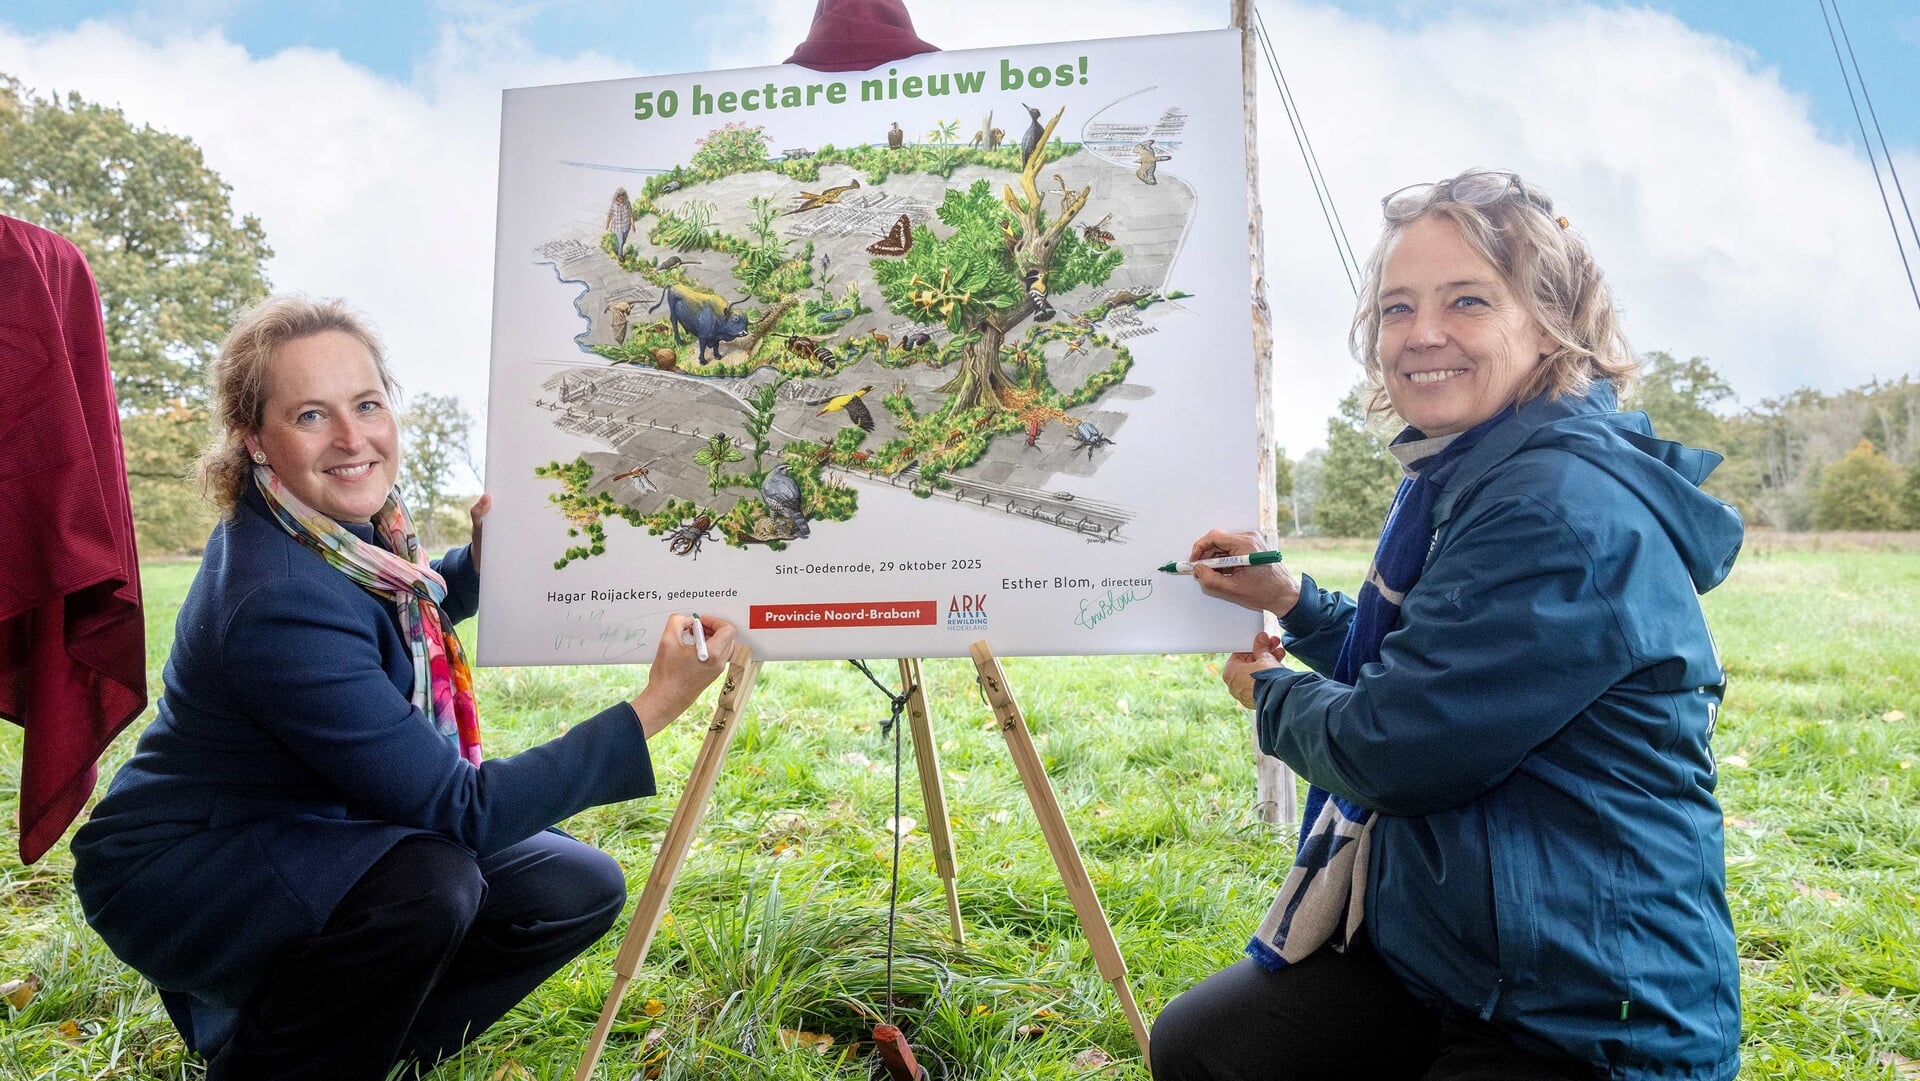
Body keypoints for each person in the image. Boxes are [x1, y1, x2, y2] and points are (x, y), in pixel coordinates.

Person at [1152, 170, 1743, 1081]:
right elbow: (1436, 657)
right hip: (1455, 953)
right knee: (1207, 1048)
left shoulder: (1553, 507)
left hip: (1586, 1005)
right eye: (1397, 307)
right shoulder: (1477, 470)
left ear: (1551, 322)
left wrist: (1266, 691)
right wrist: (1293, 601)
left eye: (1467, 300)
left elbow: (1395, 740)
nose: (1422, 334)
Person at [70, 295, 739, 1080]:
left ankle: (348, 1042)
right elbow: (463, 810)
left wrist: (482, 564)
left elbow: (393, 614)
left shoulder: (328, 526)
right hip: (187, 867)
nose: (353, 438)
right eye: (312, 415)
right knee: (432, 883)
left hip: (307, 822)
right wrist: (656, 703)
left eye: (366, 404)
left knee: (573, 883)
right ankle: (271, 1061)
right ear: (255, 437)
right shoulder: (275, 597)